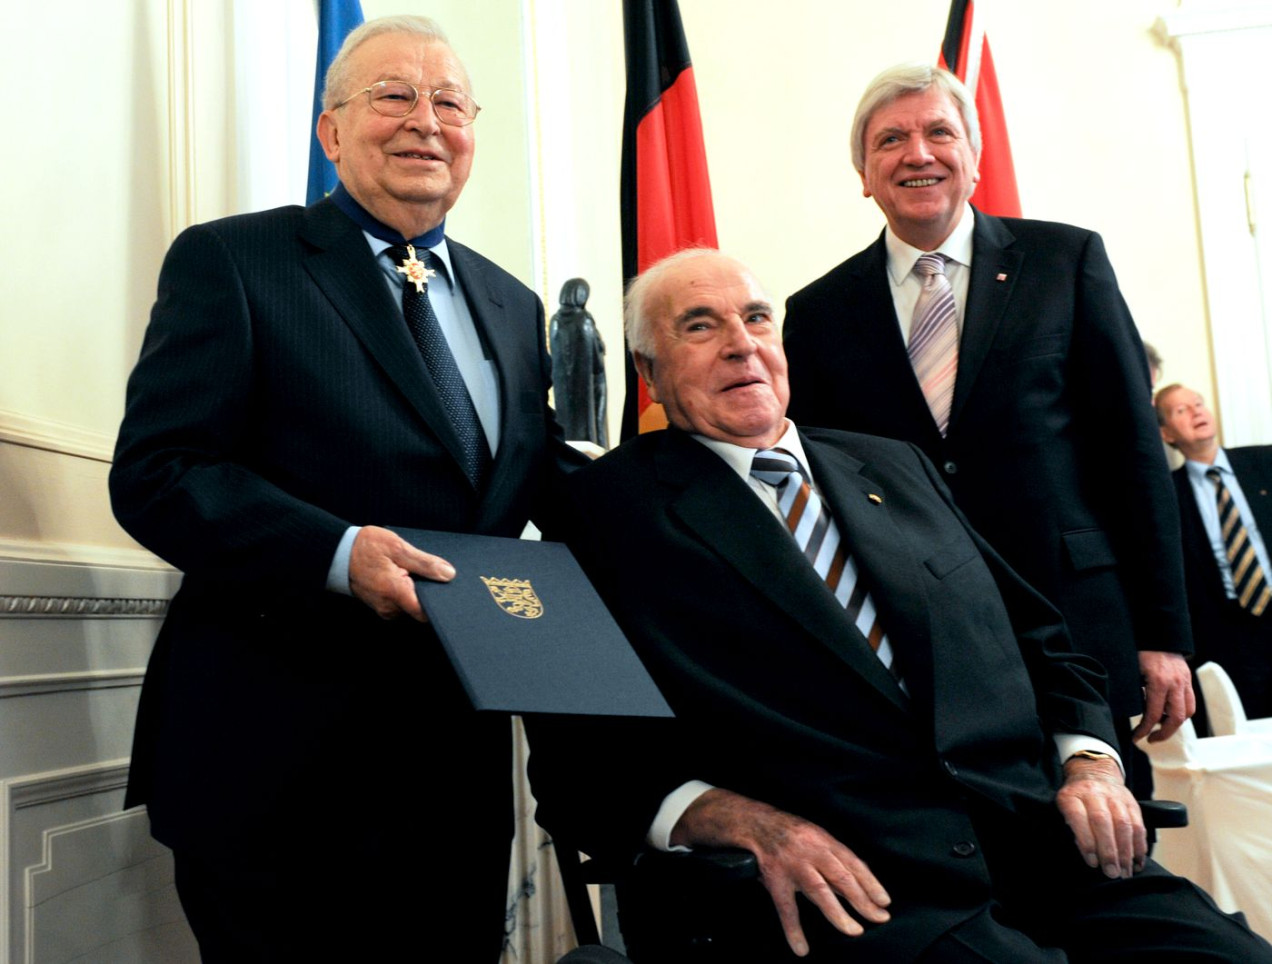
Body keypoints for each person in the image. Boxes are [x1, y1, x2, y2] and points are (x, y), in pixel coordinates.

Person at [530, 249, 1270, 962]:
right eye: (700, 325)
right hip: (860, 890)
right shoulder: (606, 513)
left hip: (1046, 847)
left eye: (757, 318)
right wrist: (731, 817)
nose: (740, 345)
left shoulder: (894, 465)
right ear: (648, 373)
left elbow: (1044, 640)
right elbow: (577, 762)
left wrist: (1089, 762)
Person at [109, 15, 582, 962]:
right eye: (393, 96)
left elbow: (527, 481)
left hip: (454, 766)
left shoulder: (512, 304)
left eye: (449, 101)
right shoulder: (237, 261)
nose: (426, 121)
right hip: (274, 761)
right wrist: (336, 554)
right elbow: (159, 474)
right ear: (331, 132)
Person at [782, 64, 1194, 782]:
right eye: (891, 140)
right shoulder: (818, 314)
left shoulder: (1067, 262)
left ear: (972, 157)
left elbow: (1132, 453)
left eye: (939, 132)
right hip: (924, 646)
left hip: (1079, 625)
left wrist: (1163, 636)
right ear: (864, 174)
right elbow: (824, 493)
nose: (918, 154)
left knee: (1107, 852)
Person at [1157, 383, 1272, 721]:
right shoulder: (1166, 494)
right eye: (1181, 410)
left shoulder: (1264, 462)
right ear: (1166, 434)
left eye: (1198, 403)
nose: (1196, 412)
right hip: (1226, 635)